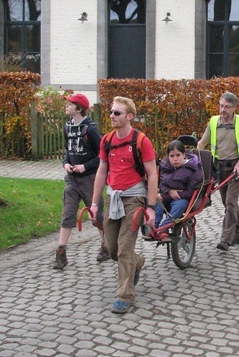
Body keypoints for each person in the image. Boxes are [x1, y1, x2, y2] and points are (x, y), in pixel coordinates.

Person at [90, 96, 158, 314]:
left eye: (117, 113)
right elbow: (102, 171)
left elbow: (152, 174)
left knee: (124, 248)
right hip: (113, 197)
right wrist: (94, 203)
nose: (111, 116)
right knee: (112, 249)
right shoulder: (107, 140)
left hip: (134, 199)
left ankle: (125, 296)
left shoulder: (141, 141)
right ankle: (136, 263)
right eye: (111, 112)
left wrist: (150, 207)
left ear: (129, 116)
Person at [53, 93, 108, 270]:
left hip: (90, 180)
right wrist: (66, 164)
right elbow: (68, 152)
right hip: (72, 180)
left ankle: (106, 245)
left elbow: (102, 156)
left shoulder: (89, 130)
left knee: (96, 216)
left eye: (69, 104)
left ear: (78, 108)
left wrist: (85, 167)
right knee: (68, 213)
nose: (66, 106)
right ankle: (61, 252)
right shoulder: (67, 127)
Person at [197, 92, 239, 252]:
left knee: (230, 201)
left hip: (236, 167)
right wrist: (194, 157)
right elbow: (202, 142)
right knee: (227, 202)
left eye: (227, 107)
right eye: (221, 106)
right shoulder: (214, 121)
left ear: (234, 108)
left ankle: (226, 239)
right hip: (219, 167)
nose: (223, 110)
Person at [154, 139, 204, 240]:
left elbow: (191, 192)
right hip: (167, 195)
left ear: (184, 155)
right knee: (157, 201)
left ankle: (164, 228)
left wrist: (176, 194)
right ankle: (154, 225)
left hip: (182, 197)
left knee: (180, 205)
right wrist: (168, 191)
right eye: (172, 156)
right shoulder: (165, 166)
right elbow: (161, 184)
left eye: (178, 155)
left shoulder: (192, 170)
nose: (175, 159)